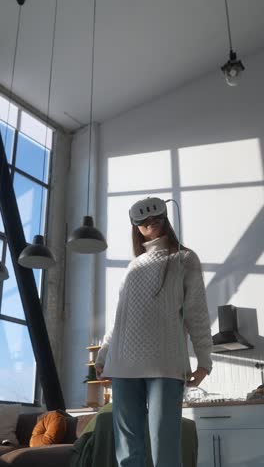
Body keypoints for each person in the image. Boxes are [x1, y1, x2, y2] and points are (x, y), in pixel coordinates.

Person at [95, 197, 213, 467]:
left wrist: (205, 361)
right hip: (123, 365)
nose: (151, 223)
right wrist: (103, 355)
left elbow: (196, 312)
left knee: (165, 446)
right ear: (136, 227)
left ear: (165, 219)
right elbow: (119, 319)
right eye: (144, 221)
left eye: (156, 218)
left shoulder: (184, 258)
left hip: (166, 364)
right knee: (127, 451)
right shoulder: (133, 266)